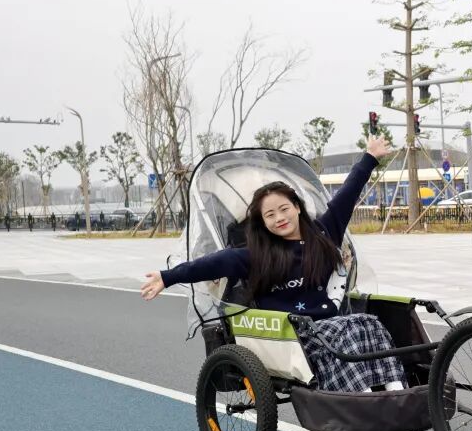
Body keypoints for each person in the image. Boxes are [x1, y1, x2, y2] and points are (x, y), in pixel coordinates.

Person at [140, 136, 406, 394]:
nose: (279, 218)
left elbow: (348, 194)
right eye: (270, 214)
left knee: (368, 322)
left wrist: (369, 157)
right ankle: (364, 395)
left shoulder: (323, 233)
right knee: (344, 330)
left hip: (331, 325)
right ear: (263, 222)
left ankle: (394, 387)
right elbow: (212, 263)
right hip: (294, 337)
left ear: (297, 207)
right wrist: (168, 277)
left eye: (284, 209)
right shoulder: (258, 254)